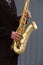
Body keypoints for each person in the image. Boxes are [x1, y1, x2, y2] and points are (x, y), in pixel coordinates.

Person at [0, 0, 31, 65]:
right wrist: (9, 33)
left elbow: (13, 23)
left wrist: (23, 17)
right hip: (2, 51)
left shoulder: (12, 2)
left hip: (12, 51)